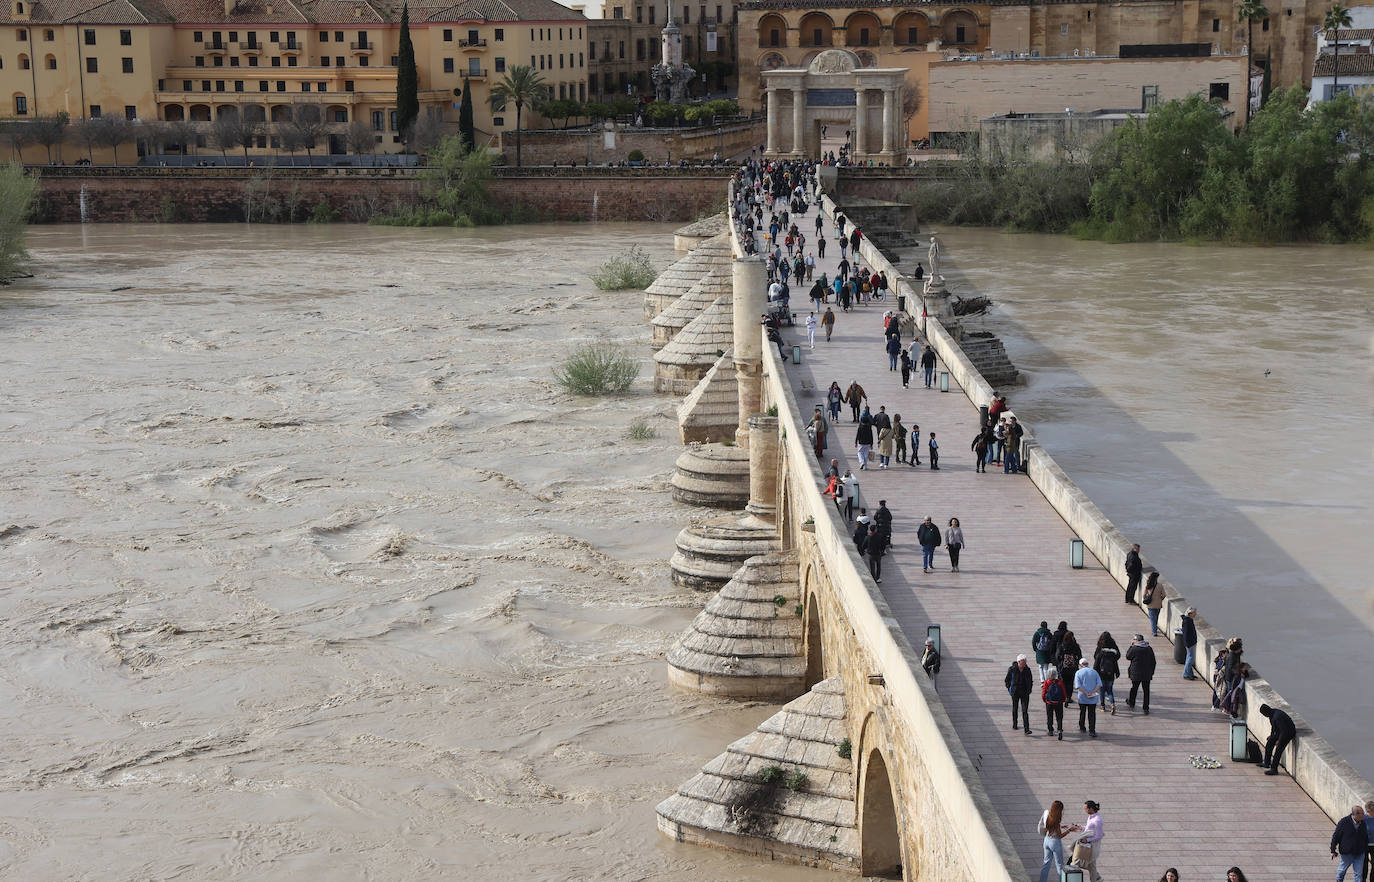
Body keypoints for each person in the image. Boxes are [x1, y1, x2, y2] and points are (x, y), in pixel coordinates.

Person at [1038, 800, 1081, 882]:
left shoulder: (1048, 815)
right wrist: (1069, 830)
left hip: (1046, 840)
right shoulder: (1056, 821)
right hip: (1055, 843)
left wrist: (1060, 826)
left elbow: (1050, 826)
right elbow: (1060, 836)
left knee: (1046, 863)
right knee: (1060, 865)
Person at [1331, 805, 1369, 882]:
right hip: (1346, 853)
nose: (1364, 815)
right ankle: (1339, 880)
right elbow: (1336, 836)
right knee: (1342, 871)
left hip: (1359, 853)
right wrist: (1332, 850)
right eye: (1362, 813)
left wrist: (1365, 849)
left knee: (1358, 874)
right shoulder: (1344, 822)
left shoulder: (1363, 823)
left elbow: (1365, 837)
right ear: (1355, 814)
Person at [1259, 703, 1296, 775]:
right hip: (1281, 731)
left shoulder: (1277, 717)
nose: (1264, 716)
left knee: (1278, 749)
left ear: (1266, 713)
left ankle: (1274, 769)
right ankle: (1266, 763)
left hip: (1288, 733)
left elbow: (1284, 731)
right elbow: (1274, 727)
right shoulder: (1271, 714)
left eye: (1264, 714)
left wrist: (1279, 741)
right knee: (1269, 743)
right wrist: (1271, 736)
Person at [1073, 800, 1104, 882]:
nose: (1085, 810)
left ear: (1090, 809)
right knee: (1091, 866)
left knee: (1078, 862)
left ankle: (1097, 879)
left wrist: (1087, 840)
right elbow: (1088, 828)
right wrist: (1081, 828)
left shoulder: (1097, 820)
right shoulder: (1091, 817)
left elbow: (1099, 835)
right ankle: (1098, 879)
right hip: (1087, 846)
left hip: (1092, 847)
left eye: (1086, 808)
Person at [1126, 633, 1156, 714]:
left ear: (1137, 640)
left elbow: (1128, 656)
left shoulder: (1134, 648)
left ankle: (1132, 702)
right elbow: (1153, 662)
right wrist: (1151, 672)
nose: (1133, 641)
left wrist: (1131, 646)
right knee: (1146, 691)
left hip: (1136, 674)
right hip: (1147, 674)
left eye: (1134, 639)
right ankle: (1146, 708)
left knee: (1134, 688)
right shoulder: (1149, 648)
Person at [1093, 632, 1121, 716]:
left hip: (1101, 674)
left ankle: (1102, 706)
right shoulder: (1113, 647)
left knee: (1101, 690)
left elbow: (1095, 658)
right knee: (1110, 691)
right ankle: (1112, 704)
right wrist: (1117, 672)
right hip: (1110, 674)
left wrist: (1095, 673)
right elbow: (1117, 657)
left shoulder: (1100, 648)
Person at [1005, 654, 1034, 735]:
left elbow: (1031, 680)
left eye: (1025, 661)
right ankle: (1015, 724)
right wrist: (1010, 689)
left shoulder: (1027, 670)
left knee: (1025, 711)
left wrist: (1029, 689)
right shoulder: (1012, 669)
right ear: (1019, 662)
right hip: (1015, 692)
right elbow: (1007, 680)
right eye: (1023, 662)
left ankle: (1026, 729)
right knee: (1015, 708)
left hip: (1025, 693)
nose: (1025, 663)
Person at [1073, 658, 1102, 737]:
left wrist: (1086, 693)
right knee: (1092, 714)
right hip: (1092, 697)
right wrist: (1092, 692)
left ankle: (1082, 727)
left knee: (1082, 712)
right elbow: (1099, 684)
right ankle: (1092, 730)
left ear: (1080, 664)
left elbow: (1078, 686)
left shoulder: (1078, 672)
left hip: (1082, 697)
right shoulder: (1094, 672)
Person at [1042, 668, 1067, 739]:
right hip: (1058, 703)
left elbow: (1044, 693)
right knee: (1059, 717)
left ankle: (1050, 730)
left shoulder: (1047, 682)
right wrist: (1063, 700)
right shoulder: (1059, 682)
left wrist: (1045, 700)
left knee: (1049, 716)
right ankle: (1059, 729)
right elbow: (1063, 692)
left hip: (1049, 702)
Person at [1144, 571, 1164, 636]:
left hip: (1150, 605)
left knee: (1152, 618)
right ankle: (1154, 629)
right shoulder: (1160, 585)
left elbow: (1144, 595)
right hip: (1158, 604)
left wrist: (1146, 598)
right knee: (1156, 618)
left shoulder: (1148, 585)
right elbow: (1163, 595)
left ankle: (1154, 631)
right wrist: (1160, 599)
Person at [1181, 607, 1198, 679]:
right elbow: (1185, 635)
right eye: (1194, 613)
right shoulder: (1187, 622)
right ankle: (1186, 674)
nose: (1196, 614)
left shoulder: (1188, 620)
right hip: (1190, 643)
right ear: (1190, 614)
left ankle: (1190, 673)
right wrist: (1188, 645)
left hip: (1191, 643)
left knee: (1189, 658)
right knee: (1190, 659)